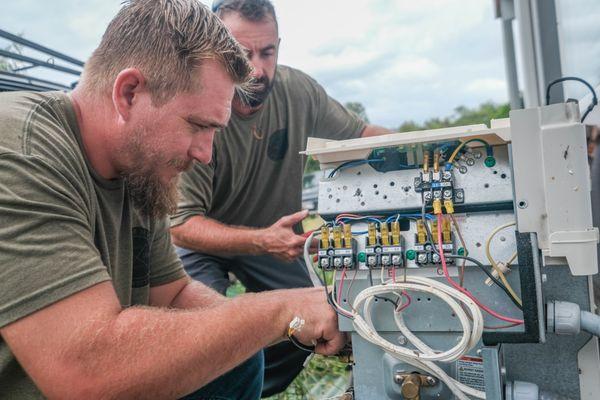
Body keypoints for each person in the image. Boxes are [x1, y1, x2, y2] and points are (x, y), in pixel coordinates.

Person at [0, 1, 345, 399]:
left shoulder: (139, 170)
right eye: (198, 126)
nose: (205, 154)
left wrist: (278, 323)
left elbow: (175, 295)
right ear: (129, 93)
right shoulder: (21, 152)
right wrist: (281, 310)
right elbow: (86, 371)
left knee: (236, 357)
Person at [169, 0, 392, 395]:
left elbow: (359, 136)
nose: (257, 69)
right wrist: (259, 240)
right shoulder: (196, 110)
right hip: (204, 243)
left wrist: (428, 149)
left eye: (267, 52)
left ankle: (250, 381)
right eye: (242, 54)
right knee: (202, 335)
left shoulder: (298, 91)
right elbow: (182, 227)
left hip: (274, 242)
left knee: (315, 316)